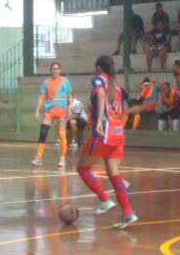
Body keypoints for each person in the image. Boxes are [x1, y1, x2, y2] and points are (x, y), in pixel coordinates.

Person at [77, 55, 147, 229]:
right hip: (118, 131)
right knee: (114, 174)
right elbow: (120, 107)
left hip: (105, 132)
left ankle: (105, 200)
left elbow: (100, 95)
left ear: (99, 68)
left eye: (95, 68)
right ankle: (128, 213)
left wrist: (99, 120)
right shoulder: (118, 87)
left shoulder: (100, 80)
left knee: (83, 168)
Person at [31, 61, 73, 168]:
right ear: (51, 70)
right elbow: (42, 97)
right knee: (43, 132)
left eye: (57, 68)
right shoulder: (46, 82)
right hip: (49, 109)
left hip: (62, 109)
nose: (55, 70)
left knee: (61, 134)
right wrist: (37, 110)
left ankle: (62, 158)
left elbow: (70, 96)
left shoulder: (65, 82)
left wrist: (70, 108)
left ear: (60, 70)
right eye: (53, 68)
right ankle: (39, 158)